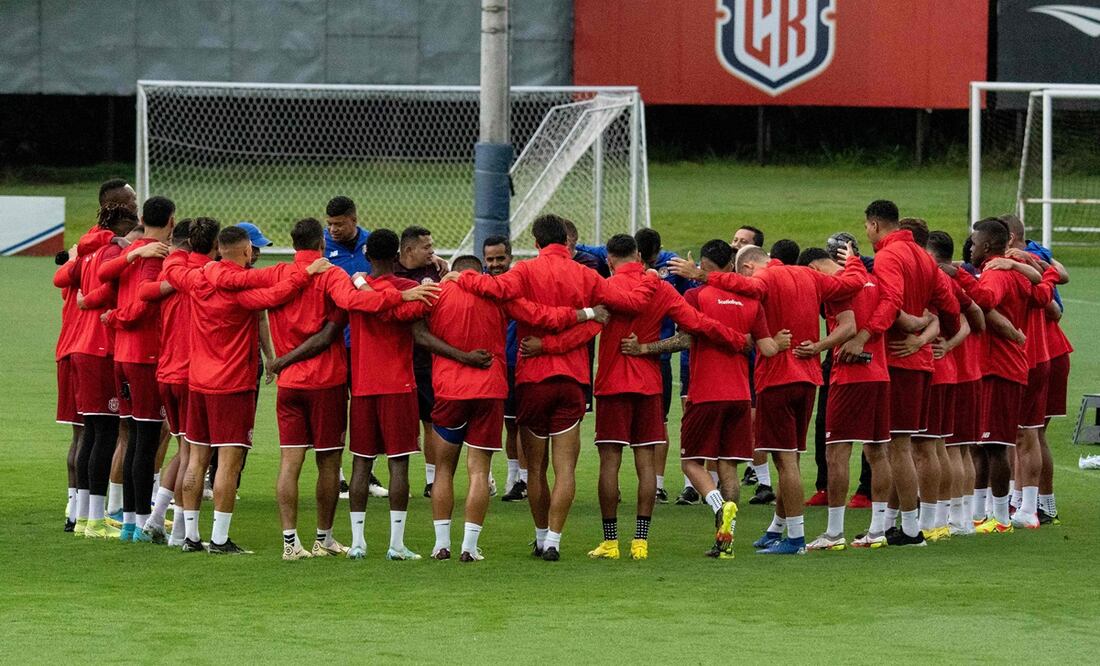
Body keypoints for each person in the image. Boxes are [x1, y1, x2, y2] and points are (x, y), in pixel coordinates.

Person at [451, 214, 656, 561]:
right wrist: (648, 280)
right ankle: (555, 542)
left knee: (536, 468)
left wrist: (463, 275)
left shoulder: (526, 272)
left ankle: (541, 535)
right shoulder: (587, 275)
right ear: (567, 241)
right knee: (566, 469)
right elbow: (629, 303)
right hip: (573, 379)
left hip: (533, 379)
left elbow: (495, 288)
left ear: (535, 242)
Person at [670, 241, 870, 555]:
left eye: (742, 272)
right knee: (788, 457)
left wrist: (700, 274)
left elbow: (738, 287)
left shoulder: (763, 279)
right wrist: (855, 261)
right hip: (808, 377)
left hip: (777, 377)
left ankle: (795, 539)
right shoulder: (809, 276)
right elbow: (852, 283)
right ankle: (777, 528)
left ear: (749, 266)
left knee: (784, 461)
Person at [262, 218, 438, 560]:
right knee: (386, 465)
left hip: (349, 387)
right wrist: (432, 283)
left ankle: (334, 543)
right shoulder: (342, 281)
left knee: (339, 464)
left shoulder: (285, 275)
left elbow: (257, 292)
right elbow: (421, 309)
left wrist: (280, 361)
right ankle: (381, 543)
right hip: (370, 384)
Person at [618, 238, 787, 558]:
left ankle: (718, 506)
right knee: (729, 468)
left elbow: (683, 339)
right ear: (730, 267)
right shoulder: (751, 302)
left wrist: (645, 349)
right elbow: (766, 349)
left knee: (692, 462)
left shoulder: (696, 295)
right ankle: (726, 543)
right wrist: (782, 341)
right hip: (740, 395)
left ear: (704, 266)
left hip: (707, 393)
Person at [167, 225, 332, 554]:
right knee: (228, 463)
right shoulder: (240, 292)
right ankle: (218, 539)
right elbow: (276, 293)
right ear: (245, 252)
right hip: (231, 385)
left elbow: (172, 269)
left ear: (217, 249)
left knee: (196, 459)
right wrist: (308, 272)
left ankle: (189, 536)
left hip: (197, 381)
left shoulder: (197, 280)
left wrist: (184, 257)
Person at [427, 255, 596, 561]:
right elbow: (543, 316)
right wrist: (586, 314)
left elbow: (410, 322)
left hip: (449, 388)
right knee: (479, 469)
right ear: (480, 273)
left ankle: (441, 545)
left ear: (454, 272)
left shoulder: (437, 293)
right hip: (489, 388)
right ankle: (469, 547)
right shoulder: (498, 298)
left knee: (443, 469)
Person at [839, 200, 961, 547]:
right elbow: (949, 305)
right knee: (895, 447)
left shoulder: (890, 257)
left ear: (875, 224)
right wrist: (938, 331)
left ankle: (910, 530)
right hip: (918, 364)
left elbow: (890, 301)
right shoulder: (924, 256)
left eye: (867, 226)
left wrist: (864, 335)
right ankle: (888, 526)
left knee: (896, 448)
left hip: (895, 360)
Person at [945, 218, 1057, 533]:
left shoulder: (995, 273)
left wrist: (963, 278)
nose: (971, 246)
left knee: (995, 444)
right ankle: (987, 512)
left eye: (975, 241)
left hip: (998, 367)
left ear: (989, 245)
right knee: (991, 443)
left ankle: (1001, 518)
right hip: (1009, 364)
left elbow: (986, 299)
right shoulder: (1009, 271)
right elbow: (1043, 295)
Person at [344, 229, 441, 560]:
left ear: (368, 256)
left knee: (360, 463)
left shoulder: (355, 287)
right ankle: (396, 544)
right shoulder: (413, 290)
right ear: (398, 255)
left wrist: (360, 282)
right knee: (398, 466)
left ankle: (358, 542)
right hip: (399, 386)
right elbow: (413, 324)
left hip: (363, 388)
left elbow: (368, 304)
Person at [576, 227, 692, 503]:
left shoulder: (603, 289)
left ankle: (610, 540)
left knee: (609, 462)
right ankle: (641, 542)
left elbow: (581, 329)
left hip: (611, 384)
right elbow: (690, 334)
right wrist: (648, 348)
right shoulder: (661, 288)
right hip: (649, 381)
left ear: (608, 260)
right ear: (638, 256)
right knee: (645, 461)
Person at [797, 247, 894, 550]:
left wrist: (819, 347)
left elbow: (848, 327)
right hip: (879, 372)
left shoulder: (837, 286)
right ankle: (878, 530)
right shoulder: (873, 280)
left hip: (850, 376)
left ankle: (834, 532)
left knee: (836, 452)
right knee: (878, 452)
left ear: (813, 268)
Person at [138, 218, 220, 545]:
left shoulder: (172, 269)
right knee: (193, 454)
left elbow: (145, 292)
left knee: (182, 448)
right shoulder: (208, 277)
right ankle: (182, 533)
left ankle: (157, 519)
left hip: (166, 372)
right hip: (191, 374)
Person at [97, 196, 174, 541]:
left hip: (122, 358)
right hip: (146, 357)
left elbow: (102, 272)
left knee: (132, 438)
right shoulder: (155, 255)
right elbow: (144, 305)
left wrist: (130, 253)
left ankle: (129, 522)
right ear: (172, 220)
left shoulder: (134, 251)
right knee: (145, 440)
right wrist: (117, 318)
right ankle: (142, 520)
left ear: (142, 217)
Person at [70, 203, 142, 538]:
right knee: (106, 434)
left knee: (92, 433)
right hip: (101, 349)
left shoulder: (89, 250)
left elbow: (67, 278)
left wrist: (86, 301)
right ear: (124, 223)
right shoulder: (113, 252)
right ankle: (95, 520)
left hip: (85, 347)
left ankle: (86, 516)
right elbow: (110, 288)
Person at [1003, 214, 1072, 524]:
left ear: (1008, 239)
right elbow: (1062, 274)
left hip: (1041, 352)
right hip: (1047, 351)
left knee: (1029, 434)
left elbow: (1055, 309)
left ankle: (1035, 504)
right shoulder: (1036, 255)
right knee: (1029, 434)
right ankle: (1032, 503)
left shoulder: (1024, 261)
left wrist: (1025, 267)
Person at [322, 195, 387, 499]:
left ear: (354, 219)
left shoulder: (373, 244)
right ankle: (338, 476)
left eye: (339, 224)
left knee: (363, 409)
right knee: (336, 409)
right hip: (334, 339)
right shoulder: (322, 246)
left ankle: (367, 473)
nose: (333, 229)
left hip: (366, 343)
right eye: (330, 224)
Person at [394, 225, 447, 498]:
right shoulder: (388, 270)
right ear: (409, 250)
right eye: (427, 247)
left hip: (425, 360)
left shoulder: (436, 270)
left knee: (431, 421)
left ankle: (431, 480)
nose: (432, 251)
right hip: (394, 360)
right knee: (394, 424)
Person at [482, 236, 529, 503]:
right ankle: (514, 477)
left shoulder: (520, 284)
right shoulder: (483, 284)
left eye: (500, 258)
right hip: (497, 365)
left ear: (510, 257)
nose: (496, 264)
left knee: (522, 425)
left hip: (521, 363)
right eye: (490, 259)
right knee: (509, 424)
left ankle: (524, 478)